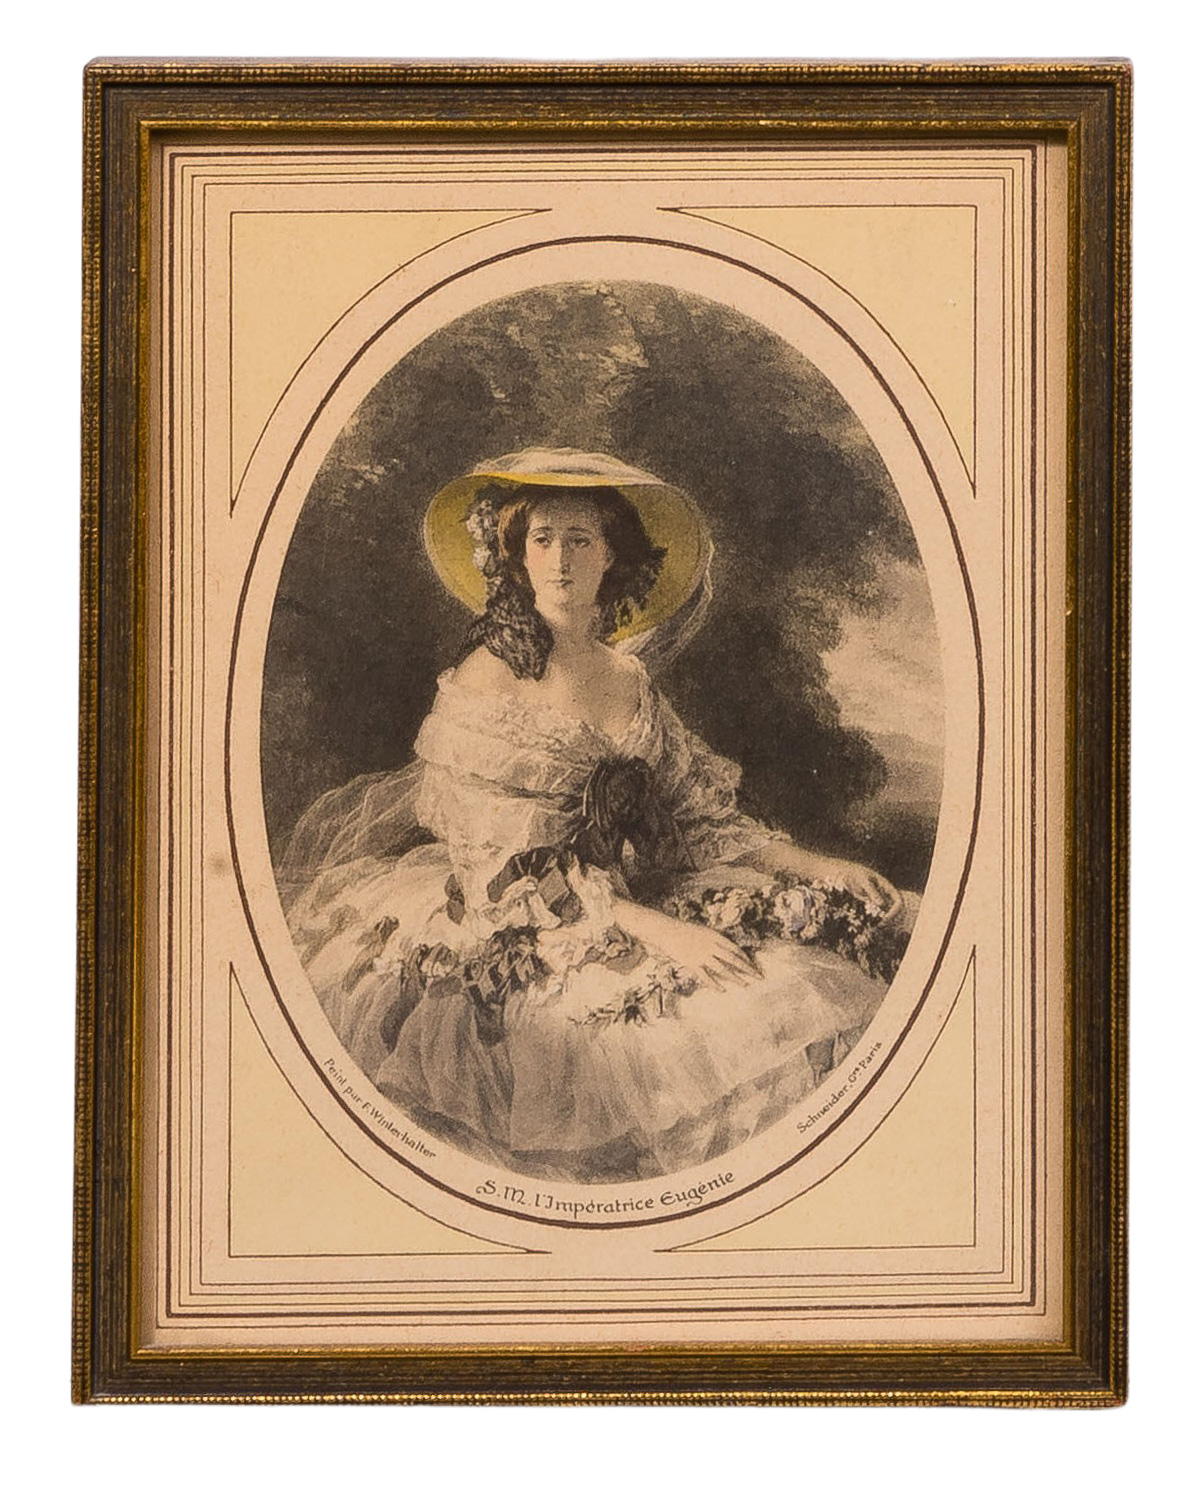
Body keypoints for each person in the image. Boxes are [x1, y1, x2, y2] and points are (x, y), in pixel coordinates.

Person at [280, 449, 905, 1183]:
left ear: (612, 554)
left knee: (812, 972)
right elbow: (496, 874)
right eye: (542, 538)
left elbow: (701, 817)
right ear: (516, 555)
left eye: (580, 539)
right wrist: (661, 930)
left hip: (630, 894)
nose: (560, 560)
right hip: (530, 918)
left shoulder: (627, 676)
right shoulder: (489, 674)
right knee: (682, 1037)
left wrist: (818, 864)